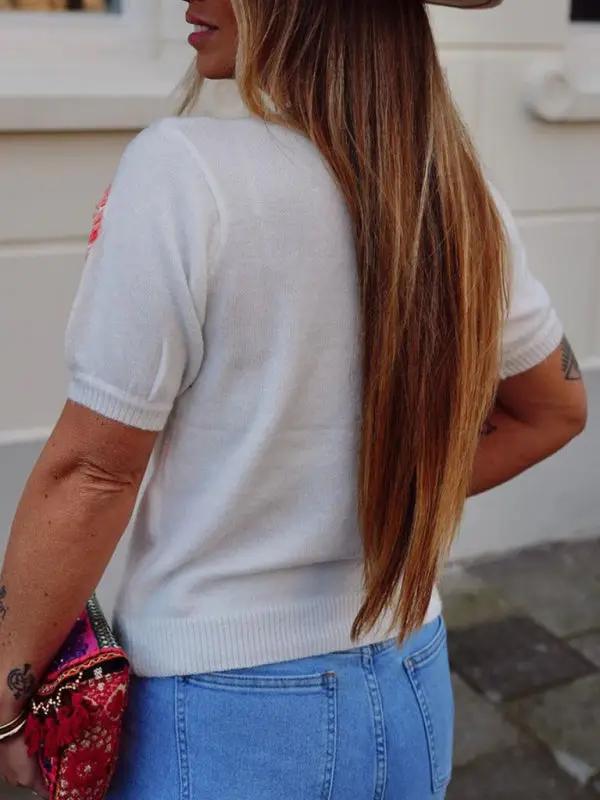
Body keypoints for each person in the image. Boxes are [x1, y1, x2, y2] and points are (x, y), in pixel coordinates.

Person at [0, 0, 587, 798]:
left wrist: (8, 694)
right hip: (410, 679)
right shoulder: (452, 188)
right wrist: (377, 498)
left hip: (225, 709)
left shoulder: (183, 171)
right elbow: (555, 408)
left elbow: (93, 473)